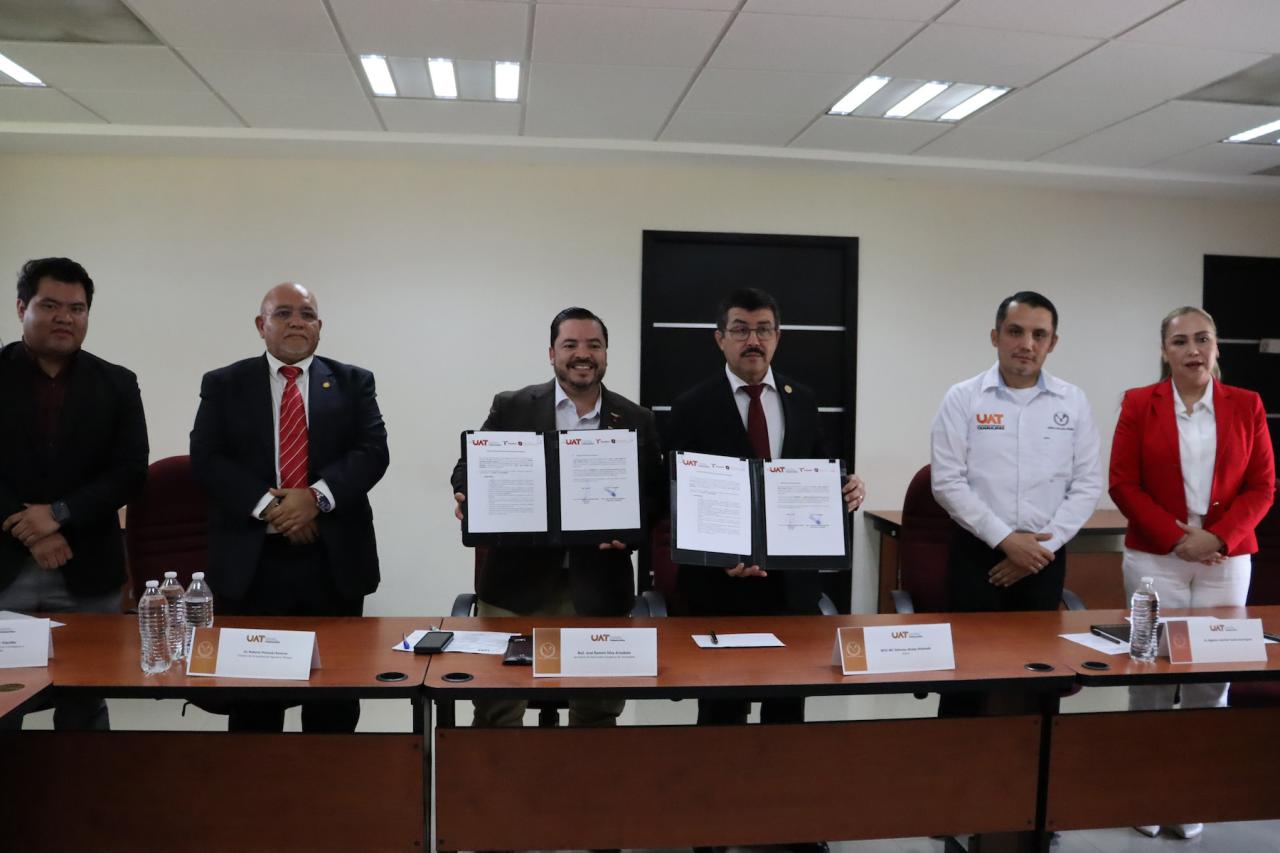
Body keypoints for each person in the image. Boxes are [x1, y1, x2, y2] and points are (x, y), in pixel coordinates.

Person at [451, 307, 664, 728]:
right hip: (514, 587)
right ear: (552, 353)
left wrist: (631, 534)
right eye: (570, 345)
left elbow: (656, 497)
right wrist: (469, 493)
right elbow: (469, 467)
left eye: (594, 345)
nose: (582, 354)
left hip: (599, 586)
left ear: (606, 354)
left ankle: (581, 774)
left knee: (598, 715)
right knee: (496, 711)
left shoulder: (636, 419)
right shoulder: (512, 406)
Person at [190, 282, 389, 732]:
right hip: (253, 564)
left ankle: (330, 776)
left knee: (334, 699)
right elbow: (207, 458)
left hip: (332, 561)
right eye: (283, 313)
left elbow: (372, 452)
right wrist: (272, 508)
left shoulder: (354, 382)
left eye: (307, 314)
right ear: (261, 325)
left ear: (320, 326)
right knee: (255, 703)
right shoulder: (224, 384)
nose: (296, 322)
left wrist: (314, 499)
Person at [665, 287, 866, 728]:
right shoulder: (691, 405)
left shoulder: (802, 399)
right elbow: (676, 497)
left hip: (791, 585)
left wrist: (846, 489)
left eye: (763, 330)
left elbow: (818, 470)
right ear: (720, 338)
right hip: (720, 587)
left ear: (778, 337)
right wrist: (719, 558)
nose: (753, 340)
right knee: (721, 712)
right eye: (740, 330)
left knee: (787, 710)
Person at [1110, 306, 1274, 841]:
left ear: (1217, 347)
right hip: (1156, 558)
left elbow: (1263, 487)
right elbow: (1123, 483)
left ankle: (1192, 794)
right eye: (1180, 341)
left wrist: (1217, 537)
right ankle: (1146, 793)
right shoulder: (1139, 403)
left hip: (1226, 560)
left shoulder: (1246, 404)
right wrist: (1178, 539)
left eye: (1202, 339)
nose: (1193, 350)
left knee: (1211, 679)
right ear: (1165, 351)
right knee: (1150, 677)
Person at [930, 291, 1102, 714]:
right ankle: (954, 749)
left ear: (1052, 343)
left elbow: (1087, 484)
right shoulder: (963, 397)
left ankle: (1034, 753)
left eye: (1039, 335)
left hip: (1045, 557)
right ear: (995, 336)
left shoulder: (1073, 401)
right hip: (977, 555)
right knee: (968, 676)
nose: (1027, 344)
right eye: (1015, 332)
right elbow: (947, 482)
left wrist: (1040, 548)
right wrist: (1007, 541)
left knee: (1040, 678)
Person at [0, 257, 149, 731]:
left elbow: (130, 473)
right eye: (50, 305)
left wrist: (59, 514)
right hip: (5, 566)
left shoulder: (117, 383)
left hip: (89, 569)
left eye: (77, 308)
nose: (64, 317)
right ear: (21, 307)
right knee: (3, 700)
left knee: (86, 704)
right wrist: (32, 529)